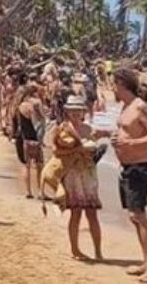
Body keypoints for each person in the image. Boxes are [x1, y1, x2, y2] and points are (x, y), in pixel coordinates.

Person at [109, 68, 147, 283]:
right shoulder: (126, 106)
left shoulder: (140, 106)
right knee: (133, 217)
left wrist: (131, 143)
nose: (112, 88)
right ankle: (145, 262)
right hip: (126, 167)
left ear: (122, 84)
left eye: (113, 84)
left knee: (139, 216)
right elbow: (127, 132)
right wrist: (110, 136)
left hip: (139, 167)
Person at [52, 96, 103, 261]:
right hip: (72, 174)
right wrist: (77, 150)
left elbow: (95, 150)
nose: (75, 113)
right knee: (76, 213)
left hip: (88, 173)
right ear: (67, 112)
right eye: (72, 111)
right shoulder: (62, 128)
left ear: (83, 112)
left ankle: (98, 252)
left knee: (92, 214)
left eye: (78, 111)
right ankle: (75, 250)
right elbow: (56, 152)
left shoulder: (89, 129)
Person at [13, 83, 45, 199]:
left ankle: (28, 191)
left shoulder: (19, 106)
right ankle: (40, 192)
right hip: (33, 138)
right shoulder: (33, 106)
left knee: (26, 166)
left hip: (22, 138)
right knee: (39, 165)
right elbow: (37, 123)